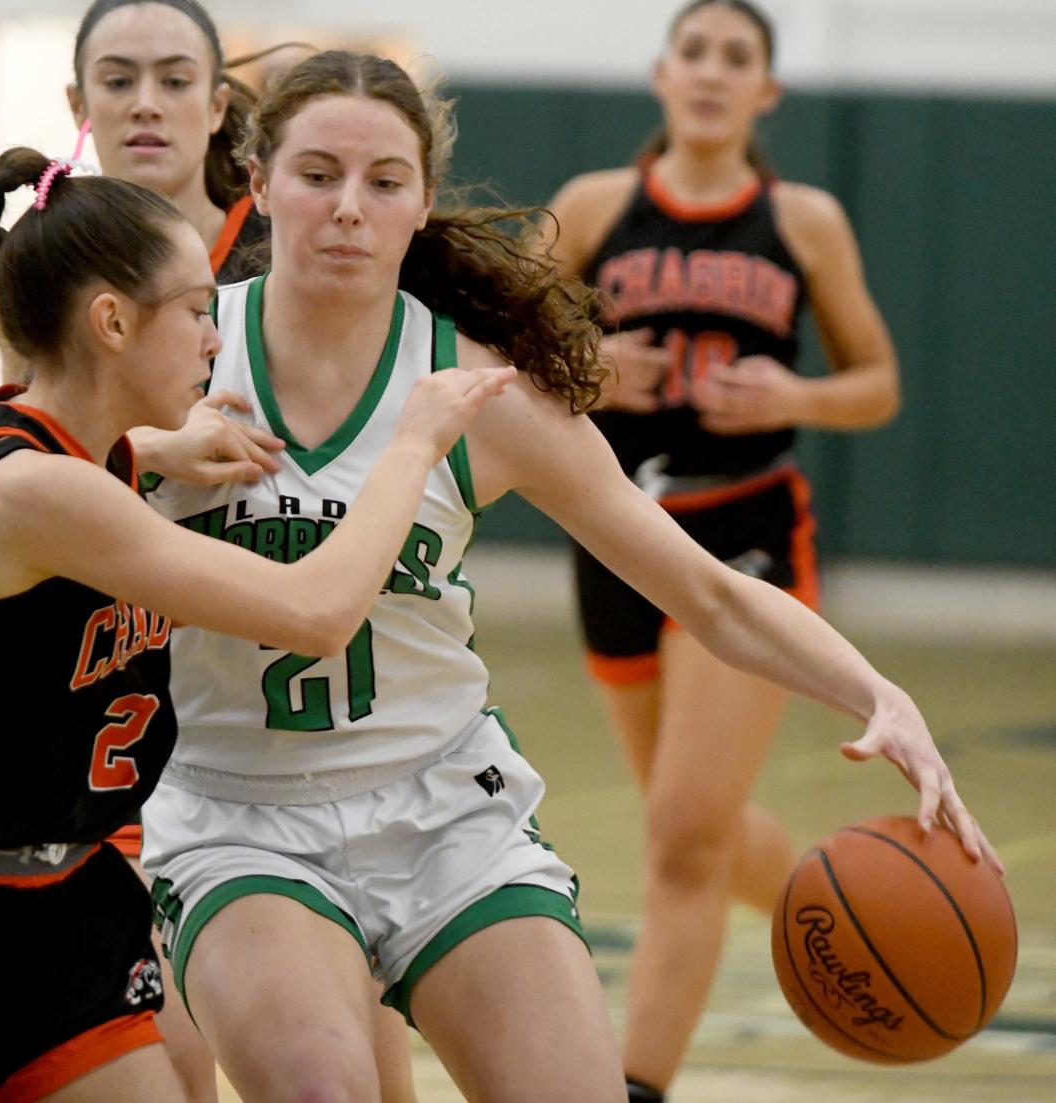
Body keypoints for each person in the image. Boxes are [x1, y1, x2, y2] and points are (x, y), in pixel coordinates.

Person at [136, 49, 996, 1103]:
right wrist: (98, 452)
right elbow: (16, 464)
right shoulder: (178, 357)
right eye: (317, 175)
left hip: (442, 804)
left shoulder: (480, 388)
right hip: (238, 812)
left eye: (384, 182)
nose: (349, 209)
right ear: (261, 184)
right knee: (324, 1086)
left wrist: (879, 694)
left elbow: (710, 591)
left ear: (420, 206)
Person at [0, 144, 512, 1103]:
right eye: (194, 310)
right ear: (109, 321)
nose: (215, 337)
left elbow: (93, 453)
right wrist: (414, 442)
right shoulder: (40, 490)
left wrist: (164, 443)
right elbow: (315, 612)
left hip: (72, 910)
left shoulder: (81, 456)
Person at [536, 2, 905, 1098]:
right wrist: (587, 366)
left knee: (684, 836)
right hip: (617, 535)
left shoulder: (805, 220)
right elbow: (495, 346)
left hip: (744, 530)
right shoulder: (596, 206)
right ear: (662, 74)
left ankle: (636, 1083)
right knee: (683, 822)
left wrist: (797, 392)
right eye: (693, 51)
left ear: (767, 94)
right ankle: (830, 899)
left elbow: (876, 383)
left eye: (736, 57)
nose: (711, 72)